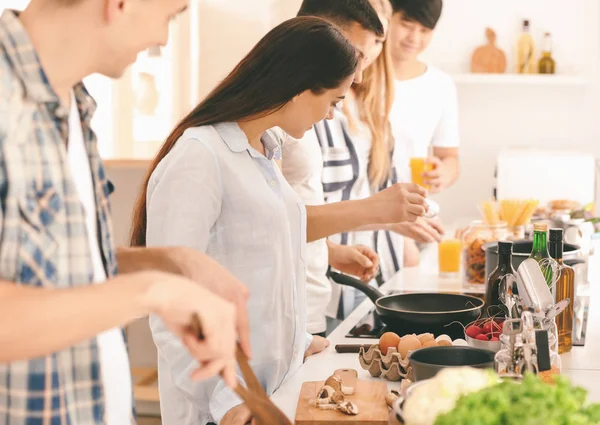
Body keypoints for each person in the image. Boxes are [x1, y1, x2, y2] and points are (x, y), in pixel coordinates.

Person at [129, 16, 427, 425]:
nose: (329, 116)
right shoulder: (200, 157)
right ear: (300, 88)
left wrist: (299, 345)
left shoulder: (266, 151)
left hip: (273, 390)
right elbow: (169, 304)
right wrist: (225, 402)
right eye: (332, 102)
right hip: (222, 409)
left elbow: (264, 267)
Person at [0, 1, 251, 424]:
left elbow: (55, 275)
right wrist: (151, 290)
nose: (163, 38)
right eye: (170, 16)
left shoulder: (75, 104)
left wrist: (169, 264)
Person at [282, 0, 443, 334]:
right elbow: (277, 222)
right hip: (306, 298)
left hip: (334, 285)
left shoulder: (365, 105)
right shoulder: (290, 115)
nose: (358, 73)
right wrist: (379, 214)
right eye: (356, 56)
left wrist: (336, 249)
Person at [388, 0, 460, 193]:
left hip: (414, 212)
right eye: (406, 25)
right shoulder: (359, 76)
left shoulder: (440, 85)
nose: (414, 38)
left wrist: (443, 172)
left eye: (425, 31)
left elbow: (449, 157)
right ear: (387, 17)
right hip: (365, 215)